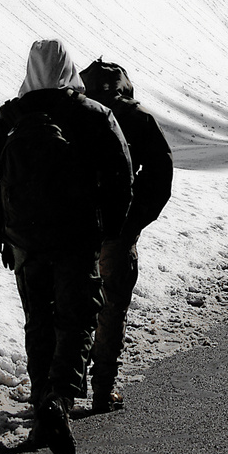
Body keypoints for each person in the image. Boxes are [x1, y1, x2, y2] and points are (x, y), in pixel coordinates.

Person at [0, 39, 132, 454]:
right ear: (68, 67)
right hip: (78, 239)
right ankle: (59, 398)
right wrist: (108, 231)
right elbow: (121, 175)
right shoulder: (95, 115)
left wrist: (2, 234)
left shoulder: (6, 120)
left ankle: (43, 411)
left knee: (38, 322)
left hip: (25, 241)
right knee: (77, 319)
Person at [79, 60, 173, 413]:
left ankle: (68, 385)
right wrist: (134, 220)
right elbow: (160, 175)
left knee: (74, 307)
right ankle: (103, 390)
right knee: (112, 308)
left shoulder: (76, 114)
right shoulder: (139, 119)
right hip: (118, 231)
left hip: (76, 228)